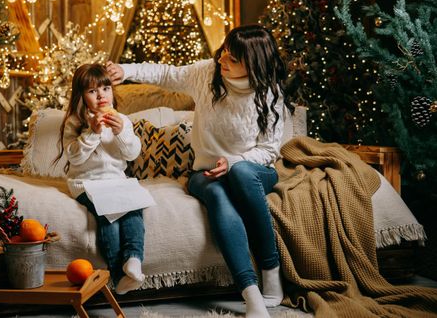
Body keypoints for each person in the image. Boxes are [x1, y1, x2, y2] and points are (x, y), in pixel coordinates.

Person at [107, 24, 294, 318]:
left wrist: (234, 162)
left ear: (253, 65)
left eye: (232, 59)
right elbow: (167, 74)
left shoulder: (270, 93)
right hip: (205, 175)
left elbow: (270, 150)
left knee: (241, 173)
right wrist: (125, 69)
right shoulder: (206, 74)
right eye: (223, 53)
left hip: (254, 172)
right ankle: (251, 292)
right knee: (218, 195)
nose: (221, 61)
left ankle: (271, 269)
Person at [56, 63, 145, 295]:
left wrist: (120, 132)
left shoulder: (122, 119)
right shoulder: (75, 122)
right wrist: (92, 133)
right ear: (81, 96)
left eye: (105, 88)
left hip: (116, 180)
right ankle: (117, 273)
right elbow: (74, 157)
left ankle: (133, 259)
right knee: (110, 216)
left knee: (135, 209)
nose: (101, 95)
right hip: (87, 182)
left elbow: (132, 153)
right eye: (92, 91)